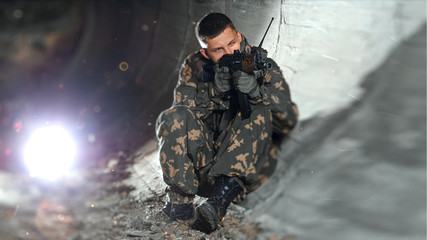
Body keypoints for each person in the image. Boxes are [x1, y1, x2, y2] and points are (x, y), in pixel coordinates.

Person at [155, 12, 298, 233]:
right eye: (218, 49)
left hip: (244, 174)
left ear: (239, 36)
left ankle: (217, 205)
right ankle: (180, 204)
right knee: (171, 116)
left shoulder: (258, 62)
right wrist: (213, 92)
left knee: (259, 111)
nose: (229, 52)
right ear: (205, 52)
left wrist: (255, 91)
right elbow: (181, 112)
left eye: (232, 43)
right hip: (202, 167)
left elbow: (286, 118)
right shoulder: (196, 65)